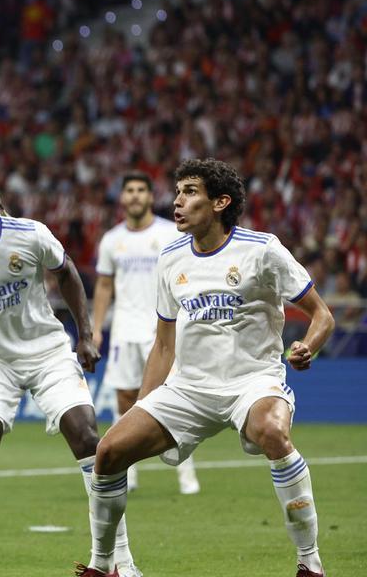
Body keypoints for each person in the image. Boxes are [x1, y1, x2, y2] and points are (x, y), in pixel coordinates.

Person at [77, 159, 335, 577]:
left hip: (252, 382)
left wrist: (308, 346)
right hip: (188, 388)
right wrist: (144, 406)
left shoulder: (263, 249)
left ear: (220, 202)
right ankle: (104, 567)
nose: (177, 201)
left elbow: (322, 315)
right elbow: (164, 343)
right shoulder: (172, 258)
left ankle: (310, 564)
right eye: (177, 191)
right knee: (108, 452)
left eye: (190, 191)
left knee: (273, 431)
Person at [0, 154, 141, 577]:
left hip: (47, 352)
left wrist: (86, 335)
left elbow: (68, 273)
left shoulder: (29, 235)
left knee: (89, 438)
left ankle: (119, 562)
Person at [92, 171, 200, 494]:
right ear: (123, 198)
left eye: (142, 190)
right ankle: (128, 471)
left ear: (151, 197)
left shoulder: (172, 234)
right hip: (125, 329)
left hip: (164, 330)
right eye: (130, 191)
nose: (136, 196)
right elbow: (104, 285)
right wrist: (96, 328)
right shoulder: (112, 240)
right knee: (125, 399)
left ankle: (186, 474)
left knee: (173, 397)